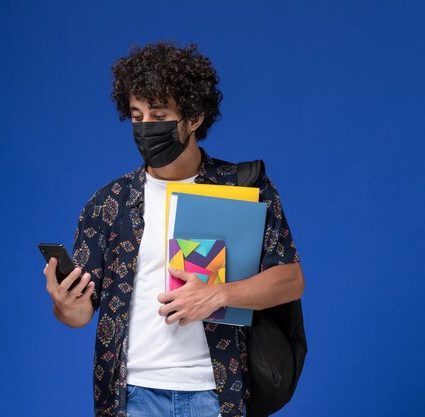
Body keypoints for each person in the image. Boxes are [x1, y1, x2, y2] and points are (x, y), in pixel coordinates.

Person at [43, 41, 304, 417]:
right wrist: (63, 304)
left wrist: (219, 294)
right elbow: (80, 315)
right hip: (130, 396)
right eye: (136, 117)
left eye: (159, 114)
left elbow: (290, 280)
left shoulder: (241, 188)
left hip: (215, 394)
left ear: (194, 117)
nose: (146, 128)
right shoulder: (108, 203)